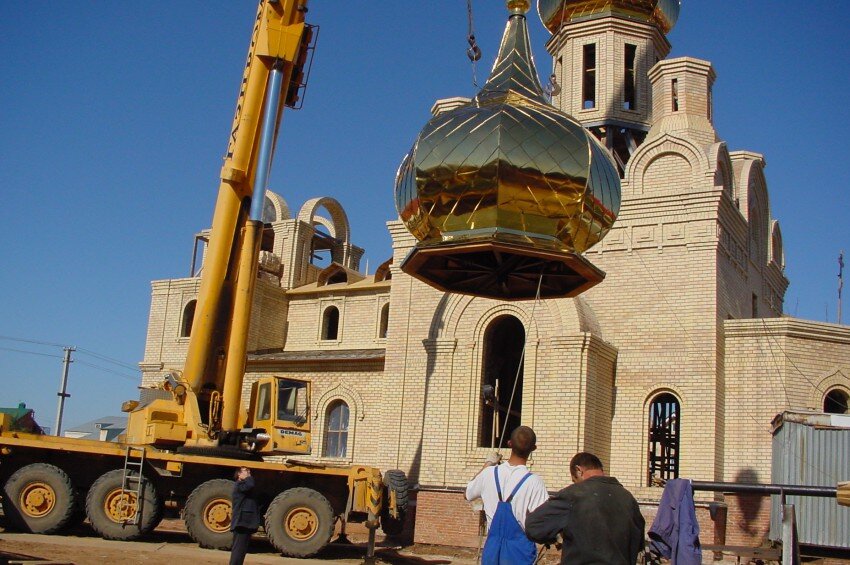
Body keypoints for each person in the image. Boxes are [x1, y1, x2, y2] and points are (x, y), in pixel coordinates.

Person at [525, 452, 645, 565]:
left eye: (574, 480)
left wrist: (556, 535)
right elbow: (639, 542)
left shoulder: (574, 494)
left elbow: (534, 527)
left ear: (578, 471)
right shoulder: (628, 498)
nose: (575, 483)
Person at [465, 426, 549, 565]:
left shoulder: (488, 473)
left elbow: (467, 493)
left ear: (509, 444)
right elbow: (543, 521)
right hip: (520, 553)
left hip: (492, 551)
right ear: (533, 448)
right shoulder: (534, 482)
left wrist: (488, 464)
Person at [230, 467, 261, 565]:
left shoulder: (243, 486)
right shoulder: (240, 485)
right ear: (239, 474)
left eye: (249, 471)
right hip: (241, 523)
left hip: (245, 523)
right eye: (246, 471)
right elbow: (250, 485)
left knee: (241, 551)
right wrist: (249, 477)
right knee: (238, 550)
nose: (249, 473)